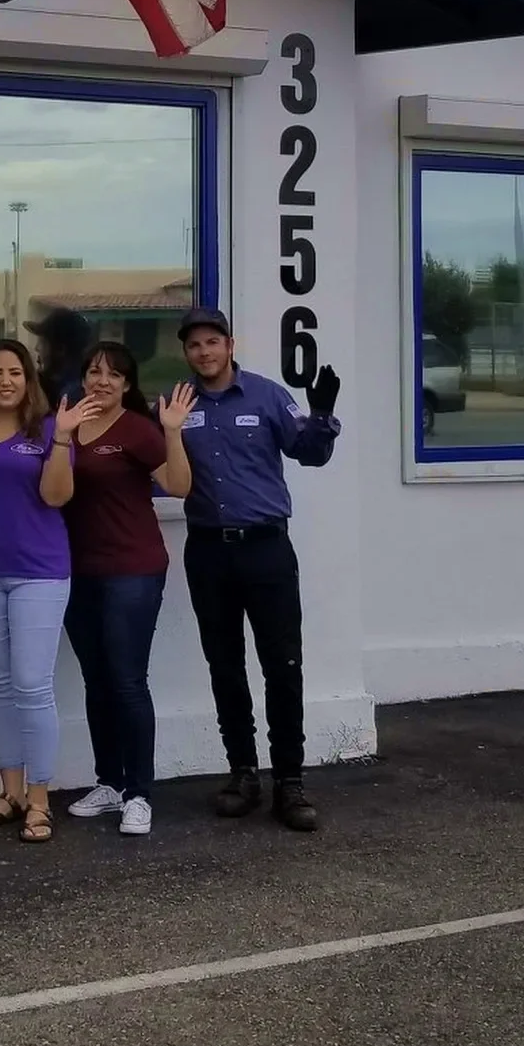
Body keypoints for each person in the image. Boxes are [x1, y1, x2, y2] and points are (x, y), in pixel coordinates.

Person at [175, 308, 341, 833]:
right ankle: (242, 774)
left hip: (266, 550)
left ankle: (290, 782)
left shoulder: (268, 395)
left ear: (230, 344)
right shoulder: (177, 405)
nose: (204, 352)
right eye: (194, 345)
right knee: (224, 665)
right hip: (208, 552)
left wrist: (321, 416)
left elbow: (310, 454)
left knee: (282, 665)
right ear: (186, 353)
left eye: (212, 341)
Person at [61, 343, 195, 837]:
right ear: (82, 378)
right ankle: (110, 783)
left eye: (113, 375)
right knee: (97, 680)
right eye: (94, 372)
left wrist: (172, 431)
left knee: (127, 681)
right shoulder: (65, 426)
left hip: (132, 570)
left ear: (127, 385)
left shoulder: (137, 430)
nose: (102, 381)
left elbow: (179, 485)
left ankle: (139, 793)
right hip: (78, 571)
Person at [0, 339, 87, 845]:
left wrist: (62, 440)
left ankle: (39, 799)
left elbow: (57, 496)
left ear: (28, 380)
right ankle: (10, 793)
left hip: (39, 573)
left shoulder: (51, 429)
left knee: (32, 685)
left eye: (15, 372)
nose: (5, 381)